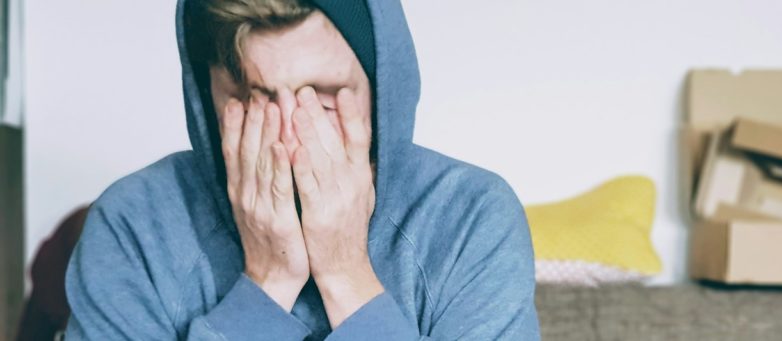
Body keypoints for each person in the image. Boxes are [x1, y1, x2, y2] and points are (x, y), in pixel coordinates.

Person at [64, 0, 540, 339]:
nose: (289, 140)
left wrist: (345, 273)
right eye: (255, 102)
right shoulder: (132, 225)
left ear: (382, 90)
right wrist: (267, 283)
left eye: (323, 102)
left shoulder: (472, 217)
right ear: (207, 101)